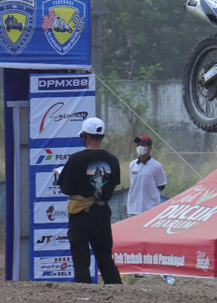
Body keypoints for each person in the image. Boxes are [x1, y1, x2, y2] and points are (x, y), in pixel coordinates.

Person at [55, 116, 122, 285]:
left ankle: (85, 294)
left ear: (84, 136)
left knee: (81, 260)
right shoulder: (113, 160)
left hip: (80, 214)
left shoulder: (76, 159)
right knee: (105, 258)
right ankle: (118, 292)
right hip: (102, 213)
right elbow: (113, 184)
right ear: (102, 136)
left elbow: (66, 188)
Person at [127, 134, 167, 217]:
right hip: (134, 207)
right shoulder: (132, 164)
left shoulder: (156, 166)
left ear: (149, 148)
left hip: (150, 208)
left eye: (142, 145)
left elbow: (161, 185)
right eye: (138, 145)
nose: (139, 147)